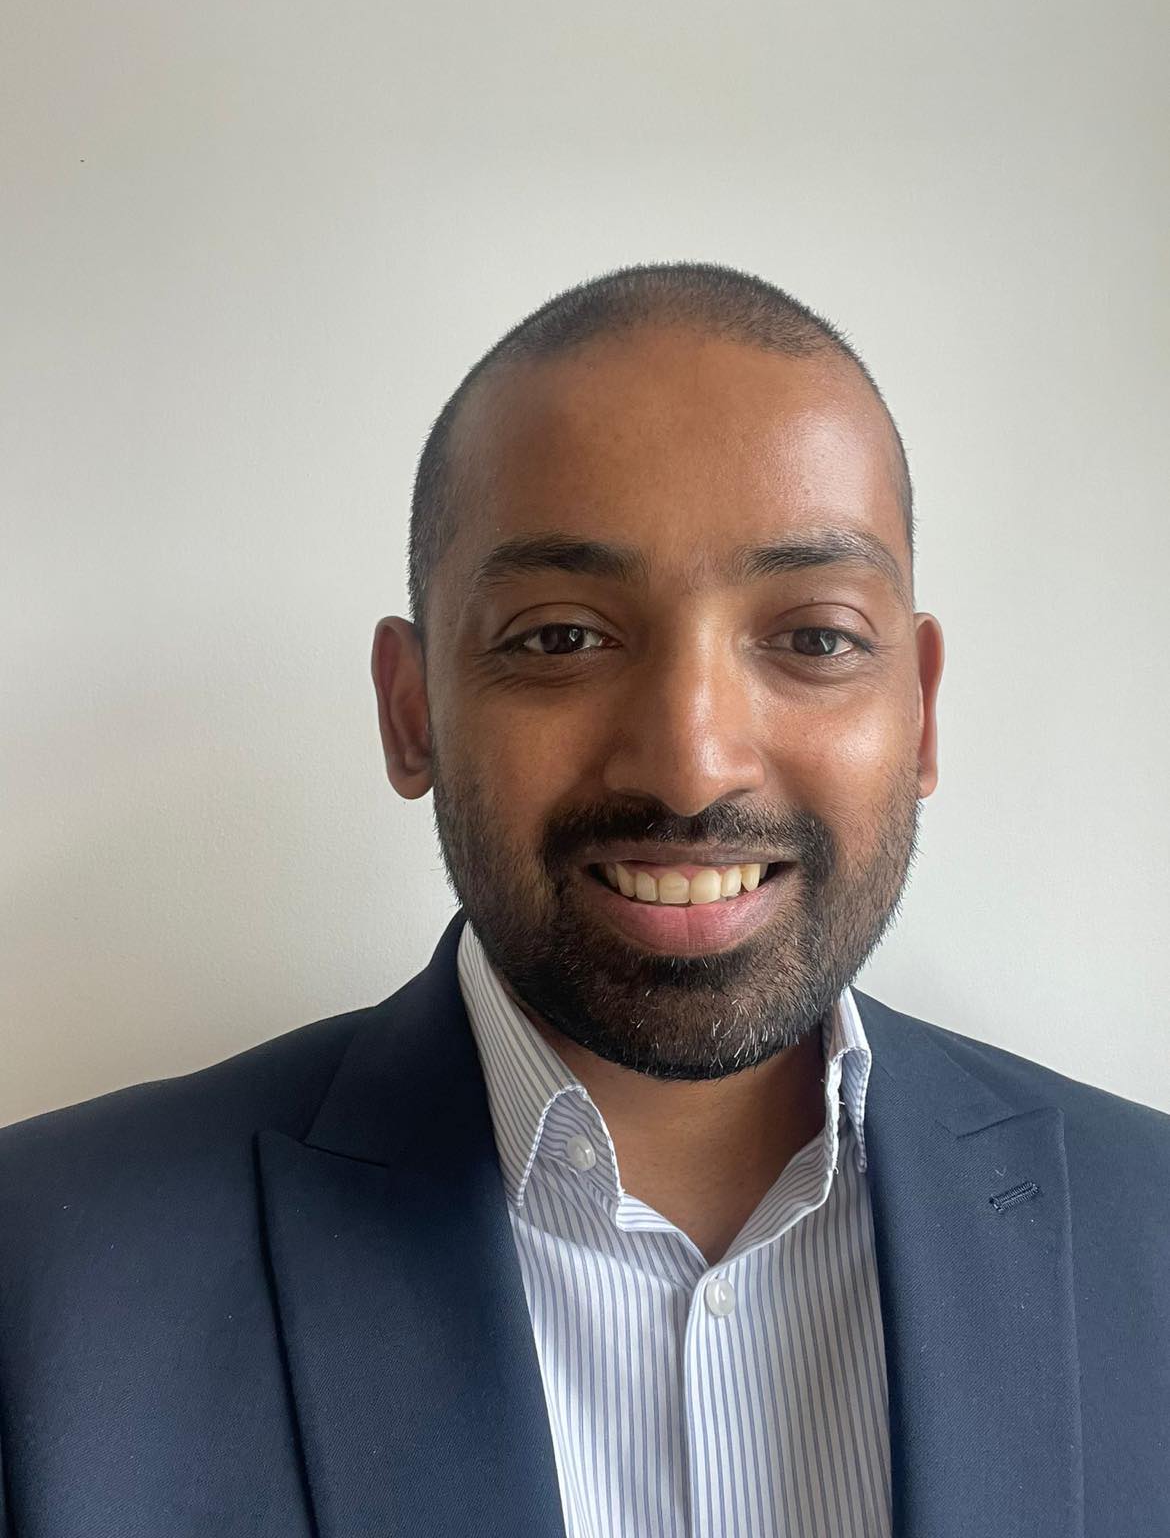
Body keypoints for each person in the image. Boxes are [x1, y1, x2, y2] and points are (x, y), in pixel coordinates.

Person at [0, 263, 1165, 1538]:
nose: (691, 758)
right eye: (561, 636)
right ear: (410, 712)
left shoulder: (1147, 1235)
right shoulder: (44, 1284)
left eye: (815, 636)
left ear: (922, 710)